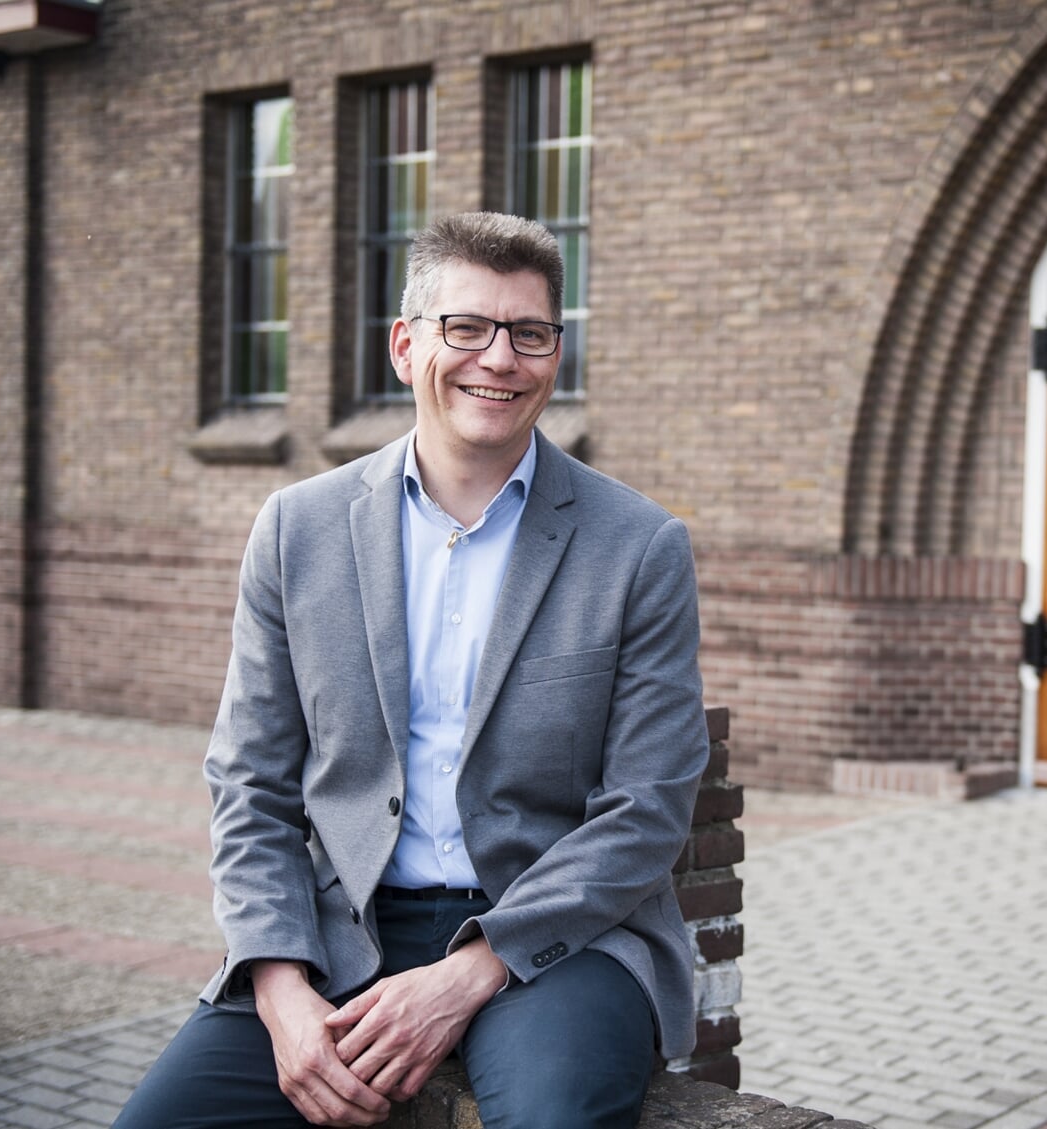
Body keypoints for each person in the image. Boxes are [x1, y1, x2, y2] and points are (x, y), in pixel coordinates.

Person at [113, 211, 712, 1129]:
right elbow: (250, 783)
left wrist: (468, 972)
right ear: (405, 346)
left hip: (556, 941)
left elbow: (648, 807)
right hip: (338, 930)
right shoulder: (295, 530)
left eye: (530, 333)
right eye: (465, 327)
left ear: (557, 351)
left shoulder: (640, 549)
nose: (499, 358)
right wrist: (279, 989)